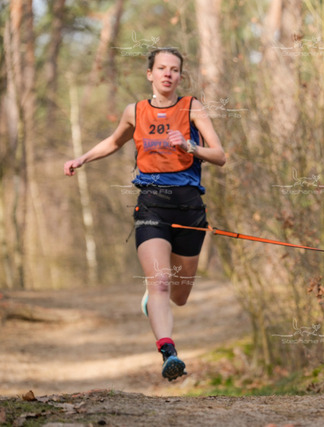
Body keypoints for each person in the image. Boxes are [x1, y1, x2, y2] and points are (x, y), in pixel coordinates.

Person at [64, 48, 226, 381]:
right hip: (152, 205)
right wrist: (82, 159)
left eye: (174, 69)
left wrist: (190, 146)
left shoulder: (192, 107)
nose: (168, 74)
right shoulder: (135, 111)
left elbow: (220, 155)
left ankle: (151, 301)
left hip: (190, 209)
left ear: (180, 76)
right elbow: (114, 142)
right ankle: (169, 352)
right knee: (160, 282)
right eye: (162, 68)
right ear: (150, 74)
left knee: (179, 295)